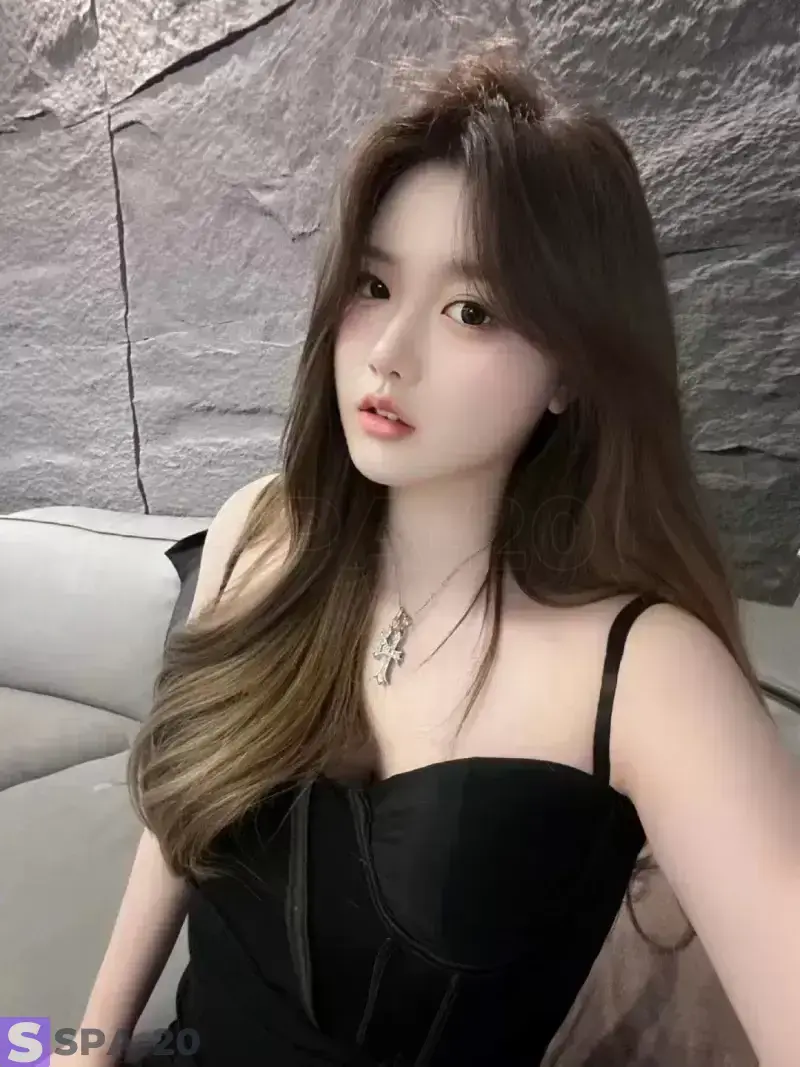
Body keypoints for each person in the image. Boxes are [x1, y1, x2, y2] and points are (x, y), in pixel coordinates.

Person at [78, 36, 799, 1067]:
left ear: (571, 369)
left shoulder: (644, 673)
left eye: (471, 309)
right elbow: (179, 831)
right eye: (373, 285)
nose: (387, 351)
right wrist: (85, 1045)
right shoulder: (261, 530)